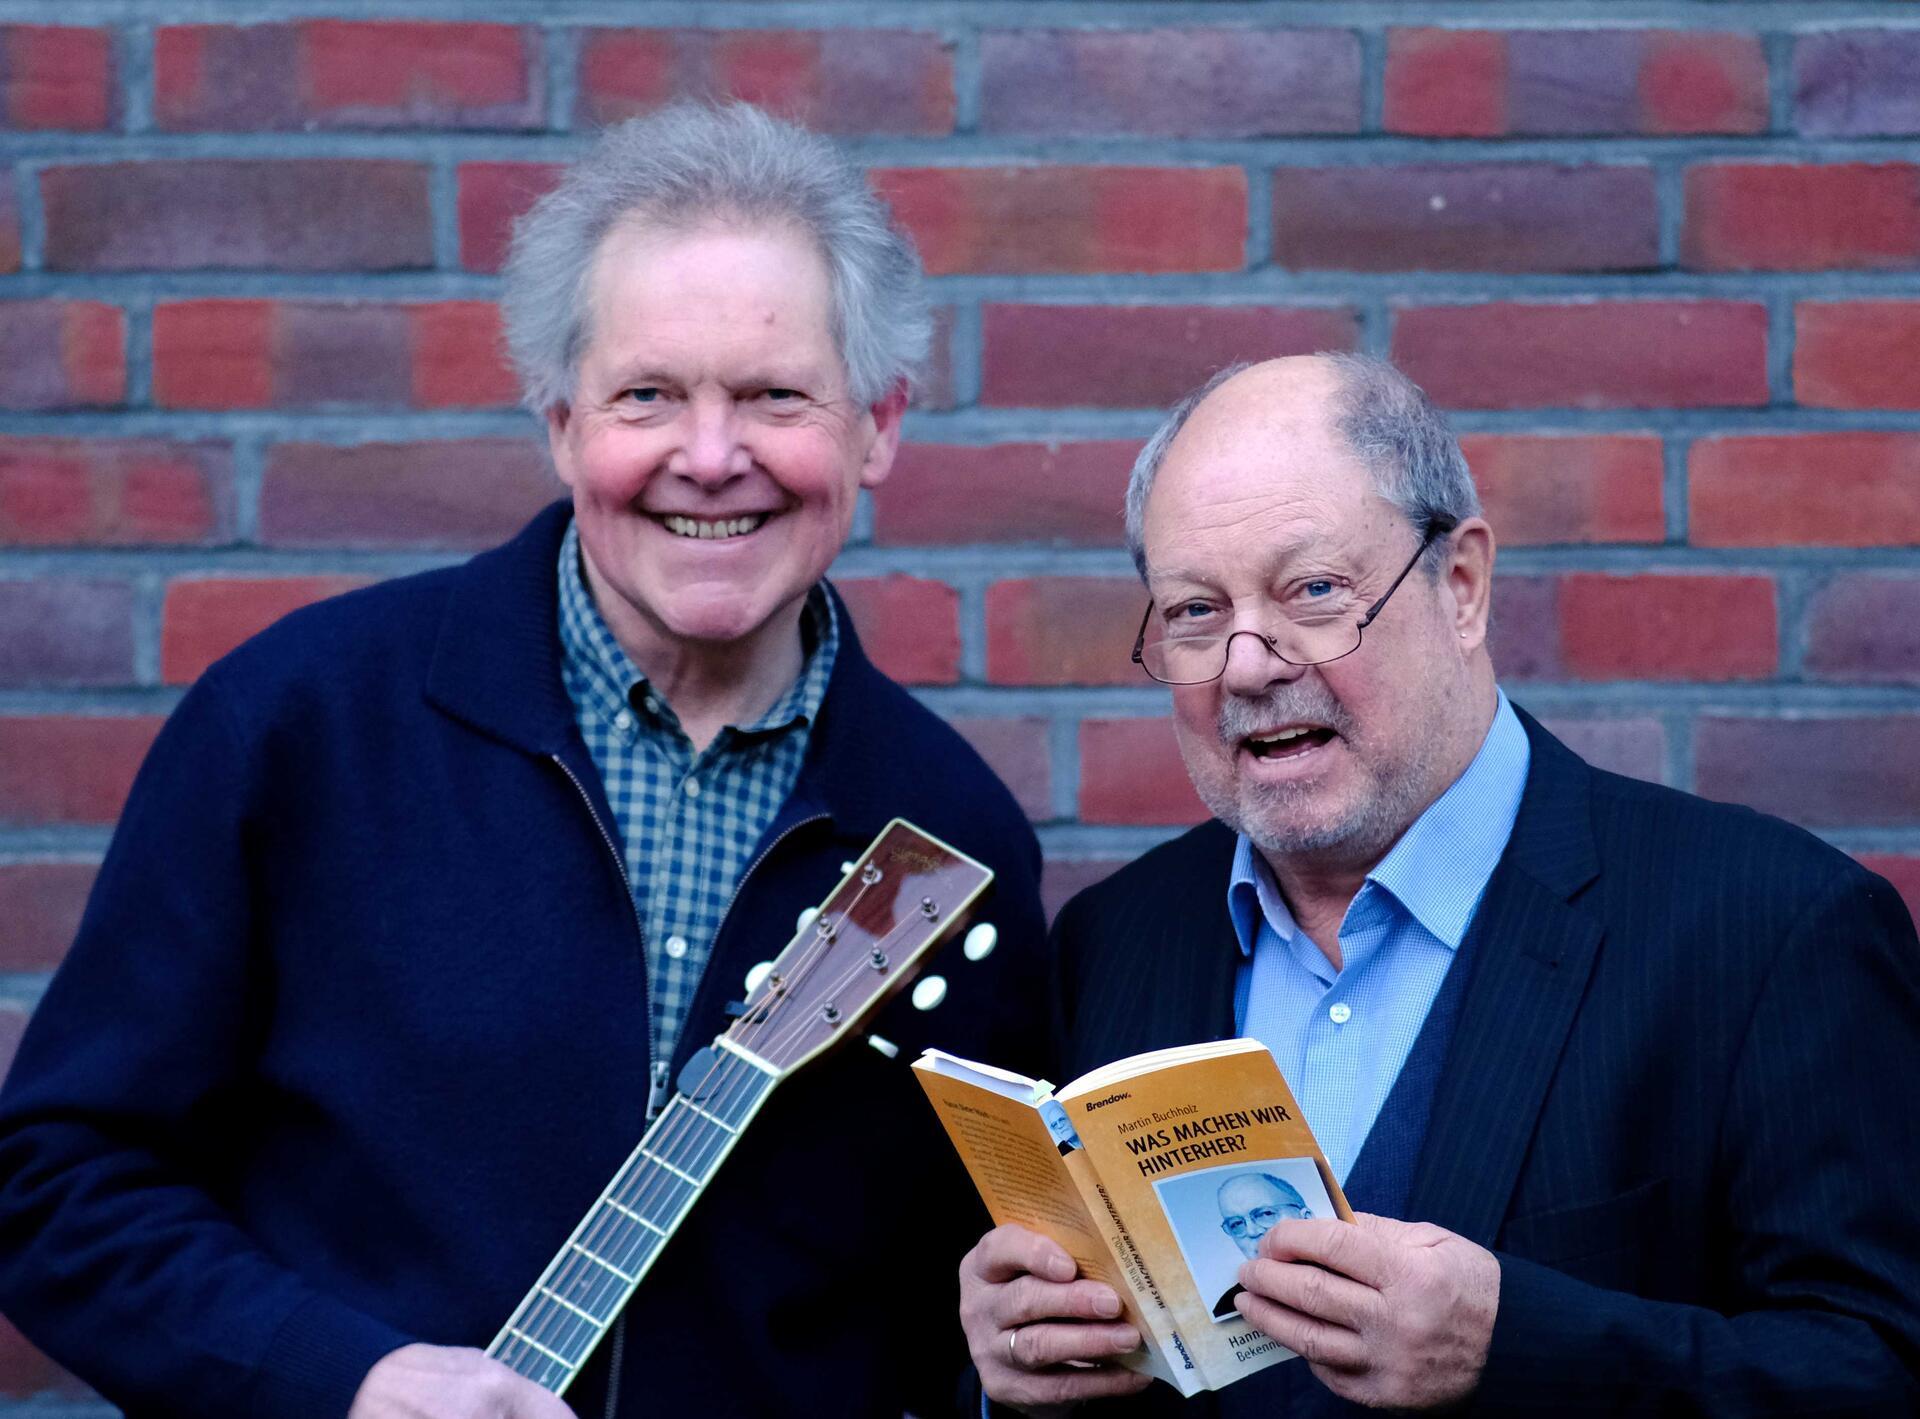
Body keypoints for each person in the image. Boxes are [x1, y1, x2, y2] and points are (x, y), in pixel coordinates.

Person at [0, 103, 1047, 1419]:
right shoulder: (300, 723)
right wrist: (345, 1377)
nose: (711, 456)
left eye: (775, 395)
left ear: (876, 426)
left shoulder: (951, 837)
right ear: (561, 422)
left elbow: (947, 1318)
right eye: (647, 394)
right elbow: (55, 1178)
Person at [958, 353, 1920, 1416]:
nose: (1245, 664)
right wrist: (1017, 1374)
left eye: (1313, 591)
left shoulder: (1771, 930)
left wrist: (1519, 1347)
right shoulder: (1113, 941)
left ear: (1460, 586)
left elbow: (1879, 1372)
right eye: (1194, 611)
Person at [1212, 1174, 1314, 1318]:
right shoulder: (1227, 1306)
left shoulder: (1348, 1270)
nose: (1252, 1231)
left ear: (1307, 1218)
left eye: (1266, 1214)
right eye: (1236, 1224)